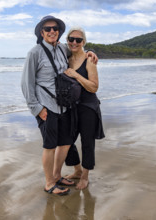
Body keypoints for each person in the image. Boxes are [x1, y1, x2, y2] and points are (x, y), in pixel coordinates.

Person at [21, 16, 98, 195]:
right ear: (42, 33)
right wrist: (36, 108)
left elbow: (78, 48)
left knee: (65, 143)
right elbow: (26, 83)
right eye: (47, 29)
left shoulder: (63, 49)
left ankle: (56, 176)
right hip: (46, 108)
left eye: (55, 28)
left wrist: (92, 51)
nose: (51, 31)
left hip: (64, 106)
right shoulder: (35, 53)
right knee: (50, 146)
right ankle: (49, 183)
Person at [64, 26, 105, 190]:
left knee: (87, 142)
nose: (74, 42)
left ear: (84, 42)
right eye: (71, 39)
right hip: (71, 107)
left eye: (78, 40)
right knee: (66, 140)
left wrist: (76, 75)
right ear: (67, 41)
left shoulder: (89, 60)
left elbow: (94, 87)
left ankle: (85, 176)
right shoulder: (66, 58)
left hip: (88, 106)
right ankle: (77, 170)